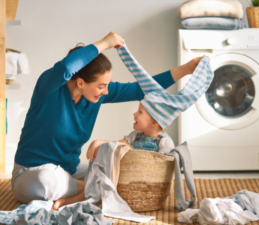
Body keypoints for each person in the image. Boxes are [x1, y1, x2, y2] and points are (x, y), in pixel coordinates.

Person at [11, 31, 206, 210]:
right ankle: (96, 188)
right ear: (80, 82)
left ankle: (88, 189)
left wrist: (187, 69)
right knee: (48, 180)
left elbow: (141, 89)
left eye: (107, 86)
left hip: (68, 171)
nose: (106, 91)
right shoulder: (48, 90)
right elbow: (65, 67)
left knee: (117, 170)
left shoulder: (96, 95)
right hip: (31, 173)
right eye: (101, 86)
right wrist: (105, 43)